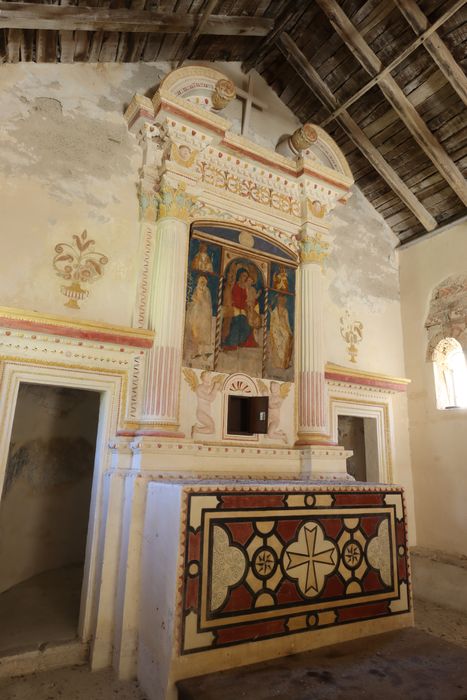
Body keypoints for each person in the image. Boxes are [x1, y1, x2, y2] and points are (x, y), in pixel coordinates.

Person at [222, 268, 258, 350]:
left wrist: (249, 306)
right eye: (243, 276)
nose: (245, 278)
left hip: (243, 311)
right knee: (237, 322)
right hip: (234, 310)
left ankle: (240, 342)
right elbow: (229, 296)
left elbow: (250, 299)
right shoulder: (234, 285)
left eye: (246, 276)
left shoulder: (246, 288)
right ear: (239, 276)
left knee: (247, 326)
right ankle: (231, 343)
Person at [185, 275, 213, 359]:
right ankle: (196, 351)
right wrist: (195, 299)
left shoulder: (206, 290)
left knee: (203, 334)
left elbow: (207, 303)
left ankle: (203, 353)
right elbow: (194, 297)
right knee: (195, 332)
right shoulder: (197, 289)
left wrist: (201, 300)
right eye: (201, 281)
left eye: (203, 281)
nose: (202, 283)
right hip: (195, 313)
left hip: (203, 315)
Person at [269, 294, 293, 369]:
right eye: (280, 301)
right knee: (278, 339)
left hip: (283, 328)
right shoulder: (275, 311)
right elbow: (272, 322)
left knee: (287, 337)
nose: (281, 302)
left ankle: (284, 363)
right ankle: (278, 363)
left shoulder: (285, 311)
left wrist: (289, 331)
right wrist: (274, 330)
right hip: (276, 329)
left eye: (282, 301)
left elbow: (287, 322)